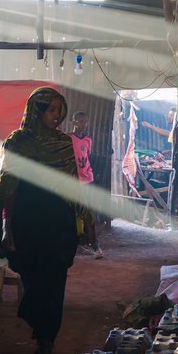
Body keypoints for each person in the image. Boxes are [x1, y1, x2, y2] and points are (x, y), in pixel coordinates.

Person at [0, 87, 96, 354]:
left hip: (58, 225)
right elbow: (5, 187)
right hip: (28, 224)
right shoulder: (17, 142)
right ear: (36, 111)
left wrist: (86, 221)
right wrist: (0, 225)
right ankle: (41, 330)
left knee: (53, 287)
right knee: (34, 283)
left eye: (59, 110)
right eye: (51, 110)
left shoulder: (64, 143)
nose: (57, 116)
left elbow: (72, 186)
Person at [70, 111, 103, 259]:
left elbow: (86, 158)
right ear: (74, 123)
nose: (85, 124)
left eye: (86, 121)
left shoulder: (88, 140)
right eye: (81, 121)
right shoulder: (68, 138)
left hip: (87, 179)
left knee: (88, 211)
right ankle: (81, 242)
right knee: (77, 211)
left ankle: (91, 243)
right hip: (75, 181)